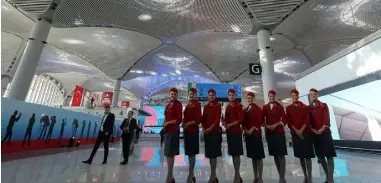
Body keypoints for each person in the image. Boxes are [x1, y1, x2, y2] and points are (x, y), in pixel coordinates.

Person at [286, 89, 315, 183]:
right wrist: (296, 131)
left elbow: (307, 120)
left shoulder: (304, 107)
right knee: (301, 156)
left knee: (308, 156)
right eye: (293, 95)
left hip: (305, 133)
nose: (295, 97)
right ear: (291, 96)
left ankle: (310, 176)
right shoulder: (288, 108)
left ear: (298, 96)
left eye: (296, 95)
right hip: (295, 135)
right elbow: (289, 122)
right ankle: (305, 176)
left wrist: (301, 130)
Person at [308, 88, 336, 183]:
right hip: (315, 135)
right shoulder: (308, 108)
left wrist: (321, 129)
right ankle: (327, 177)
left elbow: (326, 119)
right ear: (310, 96)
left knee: (329, 156)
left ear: (317, 94)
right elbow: (308, 122)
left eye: (315, 94)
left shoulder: (324, 105)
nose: (313, 95)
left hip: (325, 134)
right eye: (311, 94)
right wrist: (313, 130)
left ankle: (331, 179)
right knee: (320, 156)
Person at [262, 90, 287, 183]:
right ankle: (280, 175)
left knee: (281, 154)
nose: (272, 98)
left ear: (275, 96)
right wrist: (267, 126)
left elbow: (284, 120)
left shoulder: (279, 106)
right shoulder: (265, 107)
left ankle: (282, 177)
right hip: (270, 133)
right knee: (275, 155)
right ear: (268, 97)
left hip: (279, 132)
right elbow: (261, 120)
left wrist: (276, 124)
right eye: (270, 96)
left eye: (273, 96)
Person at [243, 92, 265, 183]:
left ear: (254, 98)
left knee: (258, 157)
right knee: (253, 157)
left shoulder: (258, 109)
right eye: (248, 98)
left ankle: (260, 177)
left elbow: (260, 120)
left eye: (251, 98)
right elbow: (243, 121)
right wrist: (245, 129)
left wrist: (252, 128)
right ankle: (255, 176)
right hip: (248, 136)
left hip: (256, 135)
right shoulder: (245, 110)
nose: (250, 100)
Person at [202, 89, 222, 183]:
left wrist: (210, 128)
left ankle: (213, 176)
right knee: (210, 155)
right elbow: (203, 119)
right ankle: (214, 175)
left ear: (215, 96)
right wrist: (204, 128)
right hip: (207, 133)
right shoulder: (205, 107)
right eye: (209, 95)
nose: (211, 97)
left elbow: (217, 119)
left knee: (213, 155)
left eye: (212, 95)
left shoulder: (218, 105)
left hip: (214, 132)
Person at [224, 89, 244, 183]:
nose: (231, 96)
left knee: (237, 154)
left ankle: (236, 176)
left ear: (235, 96)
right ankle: (238, 175)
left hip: (236, 132)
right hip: (229, 133)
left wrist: (230, 125)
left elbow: (240, 120)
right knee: (232, 154)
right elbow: (226, 119)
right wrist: (225, 123)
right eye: (230, 95)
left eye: (233, 95)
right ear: (228, 96)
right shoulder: (227, 106)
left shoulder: (238, 105)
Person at [163, 88, 183, 183]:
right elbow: (166, 117)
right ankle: (170, 177)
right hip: (167, 132)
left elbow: (179, 119)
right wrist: (164, 123)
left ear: (177, 95)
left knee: (170, 154)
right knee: (168, 154)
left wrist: (168, 123)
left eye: (175, 94)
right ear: (169, 94)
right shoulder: (167, 105)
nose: (173, 95)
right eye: (172, 94)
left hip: (173, 131)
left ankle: (169, 177)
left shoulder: (178, 104)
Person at [182, 87, 201, 183]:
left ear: (195, 95)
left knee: (192, 154)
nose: (191, 95)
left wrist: (188, 123)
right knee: (189, 154)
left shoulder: (197, 104)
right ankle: (192, 174)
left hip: (193, 131)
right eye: (190, 94)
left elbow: (198, 120)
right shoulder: (188, 104)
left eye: (193, 94)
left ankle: (190, 175)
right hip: (187, 131)